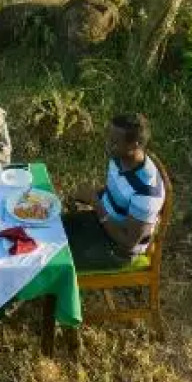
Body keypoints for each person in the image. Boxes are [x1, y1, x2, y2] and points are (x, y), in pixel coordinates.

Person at [62, 112, 164, 269]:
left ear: (134, 145)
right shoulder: (119, 157)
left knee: (55, 260)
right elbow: (116, 191)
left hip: (117, 251)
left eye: (114, 141)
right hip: (100, 223)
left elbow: (127, 243)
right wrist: (83, 195)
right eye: (109, 138)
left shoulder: (146, 192)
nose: (108, 144)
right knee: (49, 228)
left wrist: (96, 203)